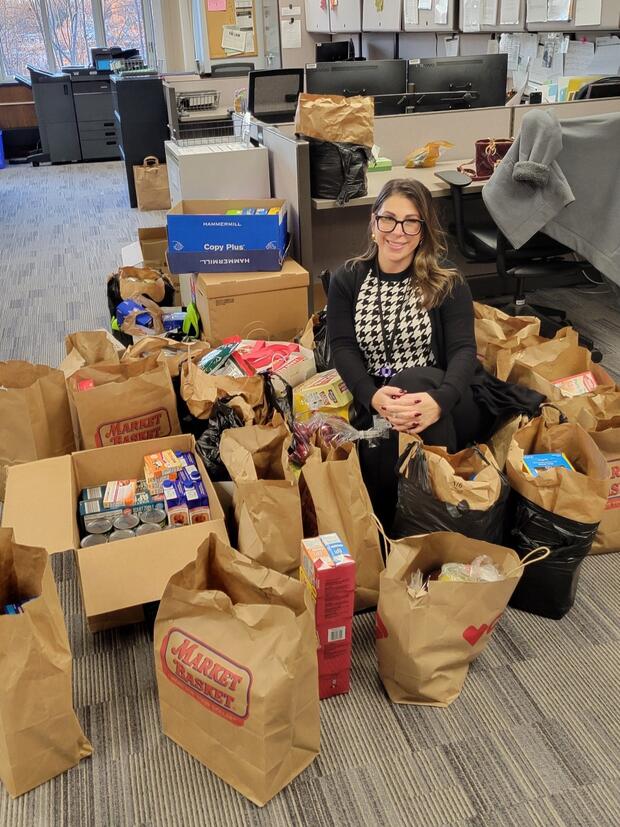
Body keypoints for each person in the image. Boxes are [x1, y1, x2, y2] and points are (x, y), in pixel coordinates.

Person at [327, 178, 542, 528]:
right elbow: (343, 347)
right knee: (388, 424)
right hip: (381, 402)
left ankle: (413, 527)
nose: (398, 231)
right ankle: (426, 524)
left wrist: (439, 400)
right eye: (389, 219)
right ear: (373, 222)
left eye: (411, 222)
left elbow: (462, 352)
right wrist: (372, 397)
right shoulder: (348, 279)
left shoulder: (446, 282)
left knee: (415, 382)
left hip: (452, 400)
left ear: (424, 231)